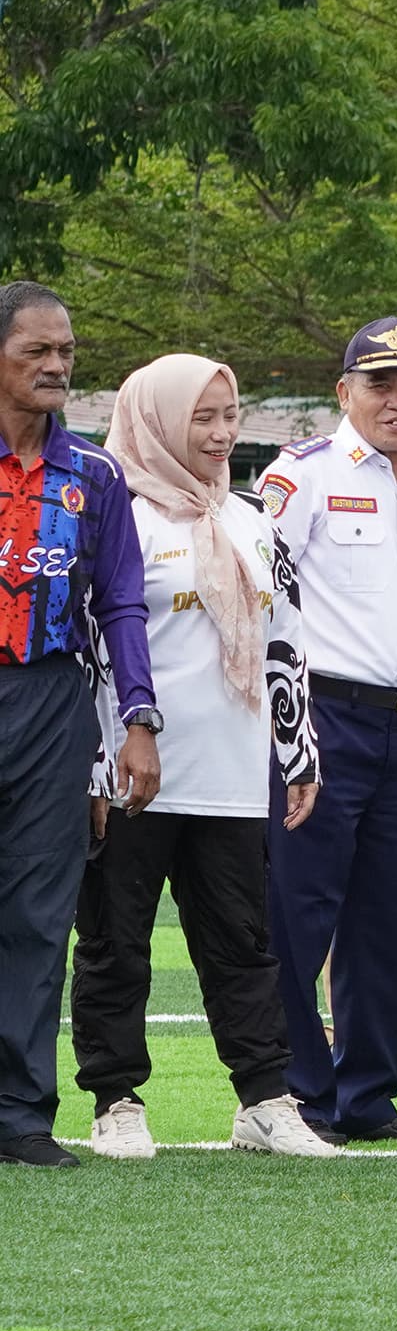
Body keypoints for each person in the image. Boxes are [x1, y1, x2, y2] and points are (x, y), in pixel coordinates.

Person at [66, 354, 336, 1158]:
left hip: (230, 772)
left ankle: (264, 1100)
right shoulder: (116, 513)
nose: (221, 434)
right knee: (115, 943)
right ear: (155, 420)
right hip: (133, 775)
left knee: (244, 945)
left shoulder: (252, 519)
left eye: (230, 415)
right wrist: (96, 764)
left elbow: (288, 638)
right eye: (202, 418)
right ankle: (116, 1101)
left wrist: (298, 751)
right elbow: (86, 649)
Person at [260, 317, 397, 1145]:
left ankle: (368, 1097)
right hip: (322, 719)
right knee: (300, 911)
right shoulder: (302, 473)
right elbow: (260, 597)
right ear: (344, 392)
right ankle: (299, 1097)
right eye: (380, 384)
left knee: (387, 917)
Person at [0, 282, 158, 1169]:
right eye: (37, 351)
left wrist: (138, 719)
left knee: (37, 912)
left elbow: (122, 604)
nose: (57, 365)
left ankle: (21, 1115)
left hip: (55, 703)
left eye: (65, 351)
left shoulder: (95, 475)